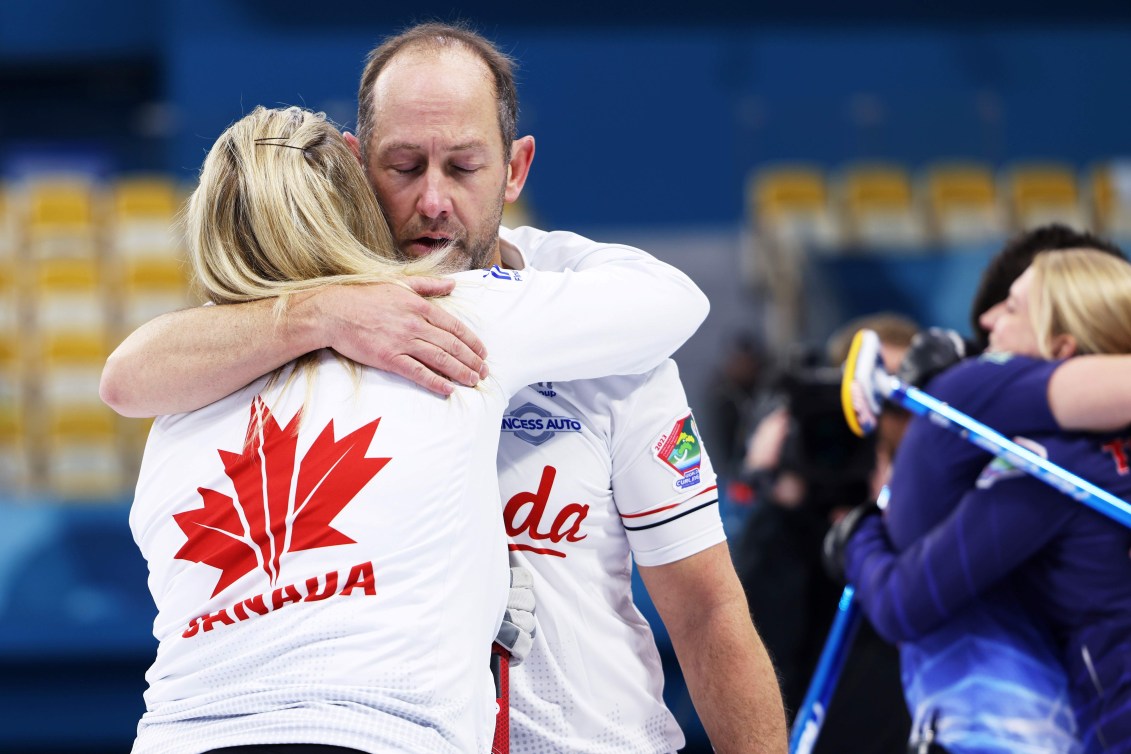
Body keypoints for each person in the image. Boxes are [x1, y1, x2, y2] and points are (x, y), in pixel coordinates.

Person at [101, 22, 786, 754]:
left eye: (463, 167)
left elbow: (708, 609)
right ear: (357, 165)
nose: (432, 200)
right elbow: (129, 372)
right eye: (403, 167)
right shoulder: (265, 337)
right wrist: (321, 310)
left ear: (514, 169)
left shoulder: (607, 344)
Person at [830, 249, 1131, 753]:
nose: (988, 319)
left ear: (1061, 346)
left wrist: (857, 537)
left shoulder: (1048, 469)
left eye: (1012, 308)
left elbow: (905, 601)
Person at [736, 313, 916, 754]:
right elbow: (757, 646)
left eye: (892, 400)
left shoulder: (951, 511)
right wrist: (771, 495)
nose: (875, 423)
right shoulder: (792, 522)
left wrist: (901, 509)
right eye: (862, 400)